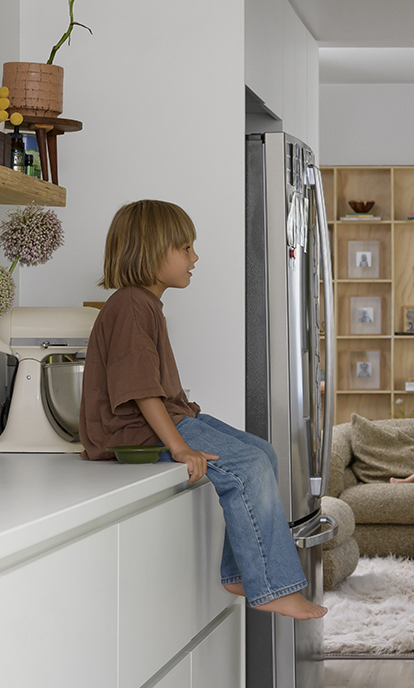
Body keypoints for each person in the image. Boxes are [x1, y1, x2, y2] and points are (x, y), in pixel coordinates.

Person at [79, 199, 325, 621]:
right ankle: (272, 586)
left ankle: (240, 574)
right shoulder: (132, 305)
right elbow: (140, 391)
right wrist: (179, 447)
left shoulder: (142, 303)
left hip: (167, 419)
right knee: (248, 465)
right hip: (135, 432)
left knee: (262, 452)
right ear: (152, 252)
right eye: (185, 247)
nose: (195, 257)